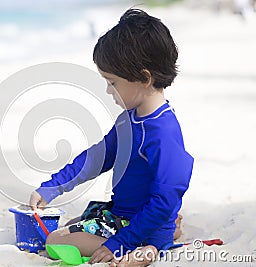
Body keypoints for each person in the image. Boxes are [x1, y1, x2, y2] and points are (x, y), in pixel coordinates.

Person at [29, 8, 194, 266]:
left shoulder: (162, 131)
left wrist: (120, 242)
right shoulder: (130, 118)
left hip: (136, 225)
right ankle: (161, 235)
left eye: (112, 82)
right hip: (125, 213)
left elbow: (168, 194)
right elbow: (97, 158)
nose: (108, 90)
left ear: (143, 77)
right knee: (74, 224)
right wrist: (53, 186)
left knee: (55, 242)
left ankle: (148, 248)